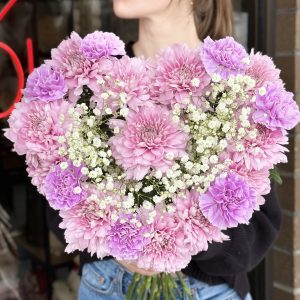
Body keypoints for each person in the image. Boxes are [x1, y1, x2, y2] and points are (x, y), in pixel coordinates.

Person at [47, 1, 282, 299]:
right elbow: (55, 199)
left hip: (207, 291)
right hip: (104, 286)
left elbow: (255, 234)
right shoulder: (90, 74)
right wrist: (116, 240)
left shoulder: (237, 84)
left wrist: (175, 242)